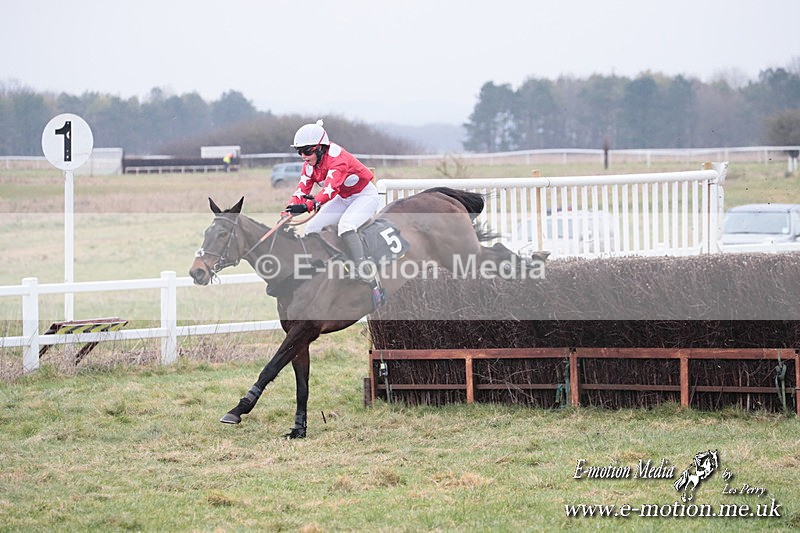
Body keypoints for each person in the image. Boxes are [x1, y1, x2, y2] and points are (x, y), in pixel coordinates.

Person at [284, 120, 381, 280]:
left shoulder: (338, 159)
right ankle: (321, 267)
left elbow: (330, 190)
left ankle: (361, 268)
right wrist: (287, 213)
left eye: (306, 151)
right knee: (312, 228)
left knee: (346, 226)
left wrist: (307, 206)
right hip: (344, 199)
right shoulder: (309, 165)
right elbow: (301, 190)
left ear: (320, 148)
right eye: (299, 152)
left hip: (365, 196)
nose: (303, 156)